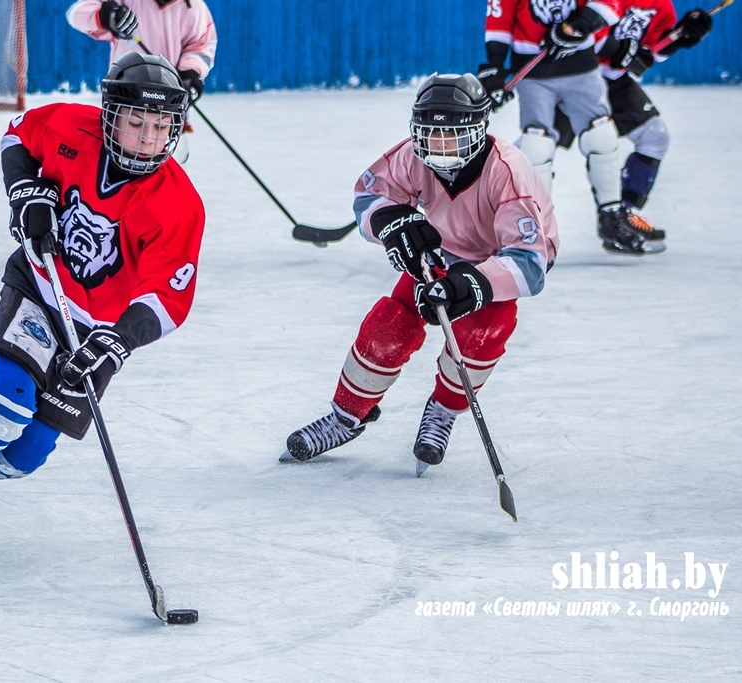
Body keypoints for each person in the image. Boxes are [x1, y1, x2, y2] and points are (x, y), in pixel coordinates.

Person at [0, 53, 205, 563]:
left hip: (96, 328)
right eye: (135, 122)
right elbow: (18, 134)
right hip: (40, 285)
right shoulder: (68, 126)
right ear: (110, 115)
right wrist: (25, 192)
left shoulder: (178, 203)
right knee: (8, 392)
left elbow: (168, 296)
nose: (148, 137)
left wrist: (117, 342)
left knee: (26, 455)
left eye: (160, 125)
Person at [282, 74, 558, 477]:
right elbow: (369, 194)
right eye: (431, 133)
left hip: (492, 264)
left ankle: (443, 411)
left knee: (483, 334)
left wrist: (473, 285)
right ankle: (346, 417)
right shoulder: (413, 155)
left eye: (453, 134)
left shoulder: (508, 174)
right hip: (442, 254)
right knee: (389, 323)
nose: (440, 145)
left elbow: (531, 264)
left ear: (479, 129)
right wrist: (392, 223)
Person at [479, 0, 651, 256]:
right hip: (534, 72)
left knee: (601, 134)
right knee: (536, 143)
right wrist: (494, 65)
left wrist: (578, 26)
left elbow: (607, 3)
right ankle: (536, 226)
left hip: (582, 65)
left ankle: (611, 215)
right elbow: (499, 19)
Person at [576, 2, 713, 241]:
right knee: (538, 147)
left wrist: (681, 36)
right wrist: (620, 50)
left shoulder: (662, 6)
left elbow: (652, 52)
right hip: (575, 79)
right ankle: (499, 208)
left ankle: (624, 217)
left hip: (613, 83)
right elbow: (585, 34)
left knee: (654, 136)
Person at [66, 0, 217, 161]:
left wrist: (190, 73)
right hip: (124, 100)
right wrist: (105, 15)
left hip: (168, 104)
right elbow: (76, 14)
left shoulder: (194, 6)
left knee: (168, 170)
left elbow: (201, 46)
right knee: (117, 165)